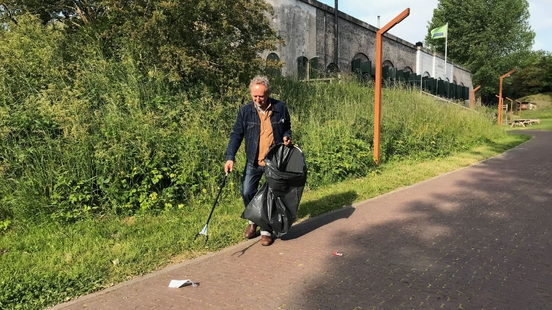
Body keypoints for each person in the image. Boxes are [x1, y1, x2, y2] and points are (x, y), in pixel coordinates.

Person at [224, 75, 292, 246]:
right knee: (247, 192)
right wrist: (230, 158)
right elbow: (236, 135)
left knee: (270, 197)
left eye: (261, 96)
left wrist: (287, 136)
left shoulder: (280, 107)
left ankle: (265, 230)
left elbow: (287, 127)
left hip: (273, 162)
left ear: (267, 93)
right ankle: (252, 221)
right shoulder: (245, 111)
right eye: (254, 96)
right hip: (253, 161)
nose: (258, 99)